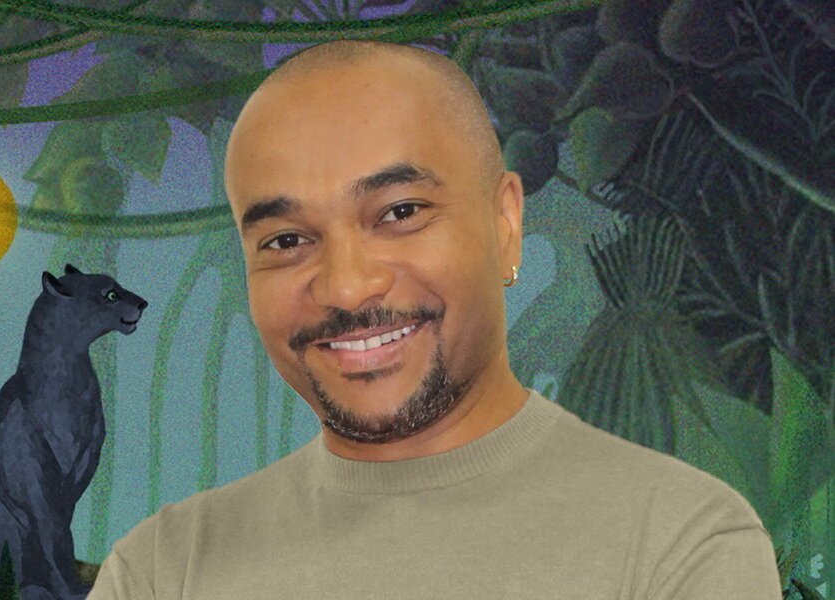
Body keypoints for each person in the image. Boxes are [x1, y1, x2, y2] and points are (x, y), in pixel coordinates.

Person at [87, 39, 781, 599]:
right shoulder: (165, 570)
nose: (347, 286)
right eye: (287, 240)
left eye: (400, 212)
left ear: (505, 225)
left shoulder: (677, 545)